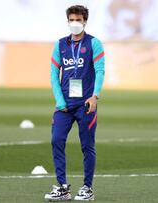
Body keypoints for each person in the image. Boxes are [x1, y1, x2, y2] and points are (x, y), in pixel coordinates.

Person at [44, 5, 105, 201]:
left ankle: (87, 188)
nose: (75, 23)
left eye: (78, 20)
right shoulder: (60, 44)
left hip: (86, 103)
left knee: (87, 145)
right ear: (67, 21)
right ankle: (62, 187)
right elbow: (54, 75)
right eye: (71, 20)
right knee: (56, 140)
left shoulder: (94, 43)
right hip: (64, 105)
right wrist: (59, 101)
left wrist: (94, 96)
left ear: (85, 21)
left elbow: (100, 71)